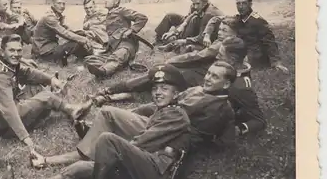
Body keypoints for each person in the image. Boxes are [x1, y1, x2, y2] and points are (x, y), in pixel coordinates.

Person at [34, 63, 236, 179]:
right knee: (79, 167)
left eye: (215, 76)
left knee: (107, 141)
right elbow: (158, 110)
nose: (208, 78)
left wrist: (119, 144)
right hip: (156, 136)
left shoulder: (218, 107)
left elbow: (145, 140)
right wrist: (128, 114)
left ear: (226, 84)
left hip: (159, 162)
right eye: (208, 73)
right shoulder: (194, 91)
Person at [98, 36, 267, 136]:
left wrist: (237, 130)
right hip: (193, 92)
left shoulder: (240, 87)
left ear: (231, 60)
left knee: (159, 112)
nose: (216, 58)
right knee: (150, 100)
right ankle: (115, 109)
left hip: (194, 112)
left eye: (220, 56)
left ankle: (116, 122)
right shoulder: (227, 67)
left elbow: (259, 120)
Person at [0, 34, 93, 161]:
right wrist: (25, 137)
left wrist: (51, 79)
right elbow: (8, 109)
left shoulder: (5, 63)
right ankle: (71, 110)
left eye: (19, 50)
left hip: (8, 108)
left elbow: (27, 73)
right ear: (2, 52)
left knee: (38, 88)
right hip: (2, 124)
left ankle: (63, 109)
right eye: (11, 50)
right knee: (45, 96)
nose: (16, 54)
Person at [202, 0, 289, 72]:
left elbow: (270, 42)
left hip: (255, 55)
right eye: (238, 4)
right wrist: (207, 34)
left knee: (226, 61)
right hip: (242, 51)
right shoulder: (238, 18)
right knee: (221, 48)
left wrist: (276, 63)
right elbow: (216, 18)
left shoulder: (258, 21)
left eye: (244, 3)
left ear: (250, 4)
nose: (240, 6)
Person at [84, 0, 148, 78]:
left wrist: (131, 30)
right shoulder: (108, 14)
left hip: (125, 44)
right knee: (88, 60)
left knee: (119, 55)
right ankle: (120, 64)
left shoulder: (122, 10)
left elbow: (142, 18)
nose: (105, 0)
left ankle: (104, 71)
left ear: (116, 2)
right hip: (113, 46)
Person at [32, 0, 93, 66]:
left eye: (63, 4)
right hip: (43, 52)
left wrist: (84, 33)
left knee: (79, 36)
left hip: (48, 48)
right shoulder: (49, 17)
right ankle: (88, 58)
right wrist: (84, 39)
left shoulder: (57, 15)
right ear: (53, 4)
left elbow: (67, 29)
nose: (62, 6)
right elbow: (64, 33)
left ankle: (86, 58)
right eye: (59, 3)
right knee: (76, 42)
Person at [154, 0, 222, 46]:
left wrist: (180, 37)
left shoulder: (208, 11)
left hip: (204, 28)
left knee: (194, 19)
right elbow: (190, 16)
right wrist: (180, 28)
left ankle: (176, 40)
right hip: (191, 23)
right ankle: (159, 39)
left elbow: (202, 35)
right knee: (170, 16)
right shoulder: (196, 3)